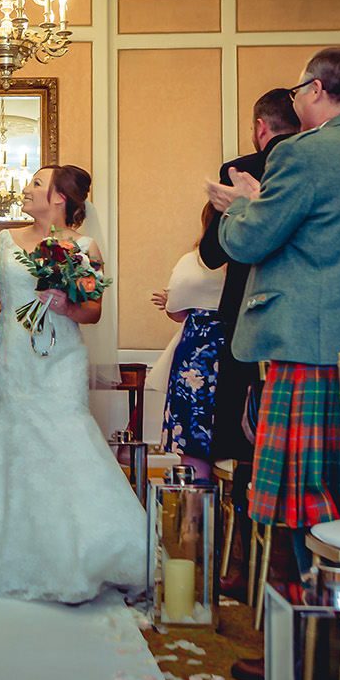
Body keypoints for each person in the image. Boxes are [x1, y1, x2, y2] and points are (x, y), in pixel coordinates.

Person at [207, 47, 340, 680]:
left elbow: (247, 241)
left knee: (299, 508)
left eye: (298, 91)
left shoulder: (300, 153)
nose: (294, 101)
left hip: (309, 353)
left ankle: (301, 649)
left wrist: (242, 202)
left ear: (318, 90)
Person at [0, 166, 145, 602]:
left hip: (62, 359)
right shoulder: (4, 242)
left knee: (66, 439)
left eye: (36, 183)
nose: (26, 189)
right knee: (10, 438)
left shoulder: (84, 248)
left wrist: (66, 305)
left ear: (59, 198)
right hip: (14, 359)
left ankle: (79, 554)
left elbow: (93, 311)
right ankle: (6, 551)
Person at [197, 88, 300, 593]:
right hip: (301, 325)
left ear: (260, 127)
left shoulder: (239, 169)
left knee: (243, 444)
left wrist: (233, 211)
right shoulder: (315, 165)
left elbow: (212, 255)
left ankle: (243, 565)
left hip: (247, 322)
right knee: (294, 444)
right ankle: (286, 568)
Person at [151, 204, 227, 485]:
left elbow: (176, 312)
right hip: (237, 345)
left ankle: (196, 508)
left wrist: (170, 302)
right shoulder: (253, 258)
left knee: (194, 439)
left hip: (197, 351)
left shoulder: (192, 261)